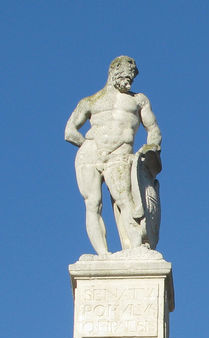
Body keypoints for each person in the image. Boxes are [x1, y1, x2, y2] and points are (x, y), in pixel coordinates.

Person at [65, 56, 162, 255]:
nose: (130, 81)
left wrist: (151, 148)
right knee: (93, 204)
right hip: (90, 154)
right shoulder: (91, 101)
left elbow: (153, 130)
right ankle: (102, 254)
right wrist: (92, 146)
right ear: (114, 71)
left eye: (132, 78)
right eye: (127, 76)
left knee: (124, 199)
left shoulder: (138, 100)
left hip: (120, 155)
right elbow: (70, 131)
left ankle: (133, 247)